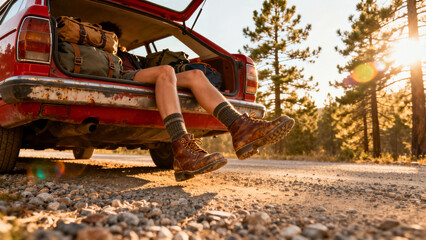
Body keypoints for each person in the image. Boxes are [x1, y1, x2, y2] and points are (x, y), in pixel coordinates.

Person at [100, 22, 295, 182]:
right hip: (122, 76)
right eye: (109, 37)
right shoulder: (102, 55)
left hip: (143, 74)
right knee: (166, 71)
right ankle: (182, 150)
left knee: (196, 74)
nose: (113, 42)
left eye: (115, 38)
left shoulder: (130, 56)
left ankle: (241, 128)